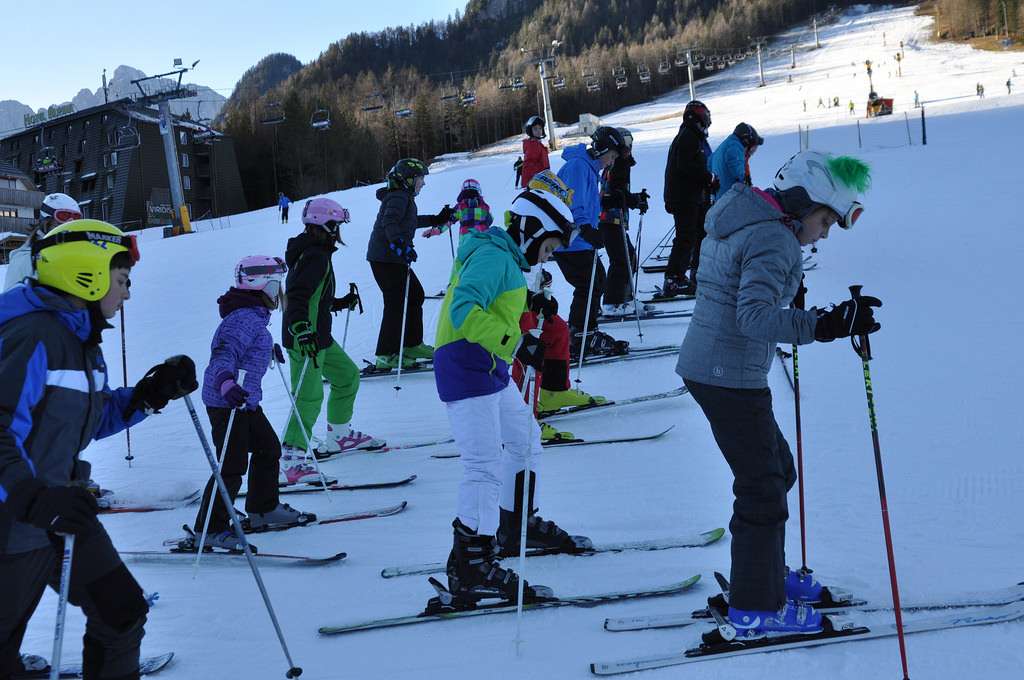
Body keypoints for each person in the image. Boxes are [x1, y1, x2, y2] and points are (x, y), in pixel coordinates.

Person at [676, 151, 878, 637]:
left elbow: (742, 289)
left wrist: (791, 299)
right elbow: (754, 317)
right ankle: (756, 607)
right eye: (825, 221)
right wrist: (825, 325)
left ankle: (763, 575)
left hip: (717, 368)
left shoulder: (745, 217)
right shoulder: (774, 238)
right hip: (729, 375)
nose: (824, 234)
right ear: (803, 203)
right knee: (763, 487)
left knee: (777, 471)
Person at [0, 219, 197, 679]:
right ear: (85, 273)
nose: (127, 293)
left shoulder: (80, 339)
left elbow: (84, 419)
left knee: (121, 613)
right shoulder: (32, 336)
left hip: (62, 513)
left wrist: (148, 395)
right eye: (122, 279)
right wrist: (33, 499)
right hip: (16, 522)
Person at [432, 176, 589, 608]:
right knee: (482, 465)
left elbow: (497, 305)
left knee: (525, 438)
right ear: (532, 230)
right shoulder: (491, 256)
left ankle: (515, 524)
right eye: (549, 248)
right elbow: (464, 310)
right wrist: (516, 343)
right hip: (466, 365)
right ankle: (471, 563)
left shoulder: (503, 256)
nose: (549, 257)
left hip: (488, 366)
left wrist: (531, 306)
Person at [183, 256, 317, 549]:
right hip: (227, 402)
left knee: (268, 448)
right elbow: (223, 354)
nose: (278, 293)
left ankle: (263, 509)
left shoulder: (253, 316)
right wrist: (226, 383)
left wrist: (267, 350)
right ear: (261, 286)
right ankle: (210, 528)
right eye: (275, 286)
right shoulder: (244, 318)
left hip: (245, 401)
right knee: (231, 466)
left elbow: (246, 347)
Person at [282, 198, 381, 466]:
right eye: (336, 225)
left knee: (347, 376)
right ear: (325, 225)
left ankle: (339, 436)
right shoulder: (314, 255)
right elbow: (297, 296)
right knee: (309, 397)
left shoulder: (317, 252)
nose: (339, 230)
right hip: (306, 339)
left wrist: (337, 303)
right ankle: (291, 458)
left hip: (319, 337)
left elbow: (314, 295)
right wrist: (301, 328)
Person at [512, 171, 608, 439]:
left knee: (556, 329)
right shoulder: (527, 228)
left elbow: (531, 270)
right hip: (507, 312)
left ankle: (553, 391)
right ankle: (522, 416)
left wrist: (537, 294)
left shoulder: (539, 233)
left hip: (523, 299)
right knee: (530, 344)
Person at [366, 158, 453, 370]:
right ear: (408, 180)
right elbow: (390, 222)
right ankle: (385, 354)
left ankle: (412, 345)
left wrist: (436, 219)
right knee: (395, 303)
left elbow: (408, 220)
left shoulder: (402, 197)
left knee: (415, 295)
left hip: (391, 258)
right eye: (420, 179)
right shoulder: (398, 197)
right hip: (385, 259)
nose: (423, 183)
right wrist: (399, 243)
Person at [552, 126, 630, 358]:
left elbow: (588, 203)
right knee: (590, 283)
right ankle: (579, 335)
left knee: (595, 282)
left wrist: (619, 201)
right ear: (602, 150)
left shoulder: (587, 167)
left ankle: (585, 330)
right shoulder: (578, 166)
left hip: (579, 240)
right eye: (612, 156)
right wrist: (586, 229)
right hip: (571, 241)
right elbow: (573, 203)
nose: (611, 163)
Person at [663, 100, 716, 297]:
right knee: (686, 237)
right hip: (684, 197)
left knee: (697, 235)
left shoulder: (692, 136)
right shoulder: (688, 136)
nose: (707, 121)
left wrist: (708, 181)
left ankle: (693, 273)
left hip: (691, 196)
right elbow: (686, 166)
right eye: (705, 116)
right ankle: (673, 278)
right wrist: (707, 177)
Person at [598, 127, 650, 317]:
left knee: (628, 257)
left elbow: (618, 192)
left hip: (613, 219)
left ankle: (624, 297)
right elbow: (615, 193)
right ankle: (613, 302)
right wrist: (635, 200)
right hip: (610, 219)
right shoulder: (619, 163)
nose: (628, 149)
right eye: (626, 145)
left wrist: (635, 198)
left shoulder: (619, 162)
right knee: (622, 259)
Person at [3, 192, 81, 292]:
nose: (70, 222)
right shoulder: (26, 257)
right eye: (63, 215)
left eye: (76, 217)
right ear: (47, 220)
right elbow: (12, 297)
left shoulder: (77, 252)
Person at [422, 178, 492, 243]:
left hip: (465, 242)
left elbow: (449, 220)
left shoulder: (461, 207)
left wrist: (438, 230)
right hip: (483, 240)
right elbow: (490, 220)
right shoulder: (484, 207)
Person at [710, 123, 764, 202]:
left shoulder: (724, 146)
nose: (753, 152)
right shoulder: (735, 147)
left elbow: (709, 164)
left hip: (719, 200)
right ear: (746, 141)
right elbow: (738, 173)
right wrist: (746, 183)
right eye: (753, 147)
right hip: (729, 200)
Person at [520, 115, 550, 187]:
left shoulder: (538, 144)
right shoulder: (532, 145)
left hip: (541, 179)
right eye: (535, 129)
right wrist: (541, 174)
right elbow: (529, 164)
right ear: (530, 131)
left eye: (540, 128)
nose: (538, 131)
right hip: (534, 181)